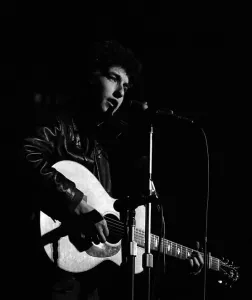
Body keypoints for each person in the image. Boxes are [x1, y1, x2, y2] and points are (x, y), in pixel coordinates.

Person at [20, 40, 204, 300]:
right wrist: (77, 202)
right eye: (113, 78)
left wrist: (175, 260)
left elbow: (117, 234)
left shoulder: (102, 150)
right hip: (46, 270)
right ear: (90, 78)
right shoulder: (58, 123)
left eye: (126, 87)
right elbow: (25, 157)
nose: (120, 93)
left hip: (87, 279)